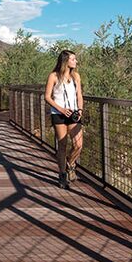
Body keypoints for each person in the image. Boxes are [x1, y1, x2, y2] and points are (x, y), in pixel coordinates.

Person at [44, 50, 84, 190]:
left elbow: (79, 95)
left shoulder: (76, 76)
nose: (76, 61)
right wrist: (61, 109)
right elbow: (47, 97)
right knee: (62, 145)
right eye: (73, 59)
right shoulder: (53, 76)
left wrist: (80, 110)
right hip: (59, 114)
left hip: (74, 114)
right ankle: (62, 175)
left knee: (78, 144)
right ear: (65, 61)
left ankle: (70, 164)